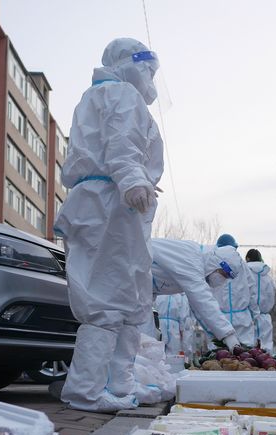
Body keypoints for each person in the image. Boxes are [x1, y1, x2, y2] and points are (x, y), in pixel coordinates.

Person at [53, 38, 163, 413]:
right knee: (105, 299)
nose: (151, 77)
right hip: (109, 205)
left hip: (112, 206)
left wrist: (137, 179)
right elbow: (121, 142)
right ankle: (85, 391)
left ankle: (119, 385)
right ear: (130, 63)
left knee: (130, 301)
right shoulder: (120, 94)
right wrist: (133, 178)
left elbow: (110, 146)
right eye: (147, 67)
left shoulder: (96, 95)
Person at [150, 239, 243, 351]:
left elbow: (197, 307)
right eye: (224, 275)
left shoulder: (197, 265)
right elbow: (203, 301)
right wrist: (229, 336)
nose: (223, 280)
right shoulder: (192, 259)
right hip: (130, 272)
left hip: (141, 286)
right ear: (217, 263)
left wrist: (218, 336)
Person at [213, 234, 259, 346]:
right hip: (242, 318)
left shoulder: (212, 265)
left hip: (220, 319)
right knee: (245, 355)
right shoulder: (242, 265)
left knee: (220, 356)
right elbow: (252, 290)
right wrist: (255, 314)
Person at [245, 249, 275, 352]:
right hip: (265, 317)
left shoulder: (243, 274)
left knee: (247, 352)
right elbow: (271, 296)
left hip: (247, 317)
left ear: (247, 259)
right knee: (266, 352)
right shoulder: (268, 277)